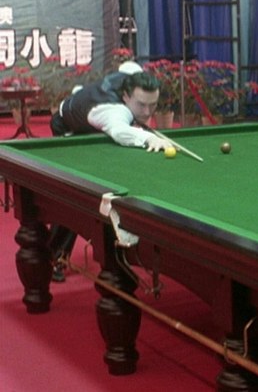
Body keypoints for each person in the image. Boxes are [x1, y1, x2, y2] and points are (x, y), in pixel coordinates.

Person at [48, 62, 172, 281]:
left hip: (90, 117)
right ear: (125, 96)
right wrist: (148, 137)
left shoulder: (133, 77)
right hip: (69, 129)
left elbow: (128, 65)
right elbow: (119, 131)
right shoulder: (113, 111)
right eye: (141, 105)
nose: (147, 112)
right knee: (77, 193)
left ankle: (118, 245)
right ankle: (54, 256)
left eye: (152, 105)